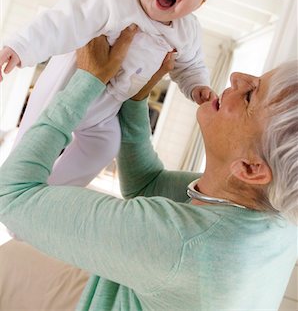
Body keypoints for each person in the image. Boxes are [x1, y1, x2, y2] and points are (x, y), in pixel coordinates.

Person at [0, 29, 297, 311]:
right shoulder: (274, 207)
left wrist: (88, 80)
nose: (238, 77)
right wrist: (137, 93)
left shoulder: (183, 243)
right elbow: (146, 184)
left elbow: (11, 195)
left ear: (250, 167)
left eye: (249, 96)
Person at [0, 0, 221, 186]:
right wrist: (20, 46)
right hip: (66, 87)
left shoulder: (188, 32)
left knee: (103, 148)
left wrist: (197, 86)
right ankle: (11, 184)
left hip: (108, 107)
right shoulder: (114, 0)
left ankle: (51, 192)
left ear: (202, 2)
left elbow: (190, 65)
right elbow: (63, 21)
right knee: (35, 136)